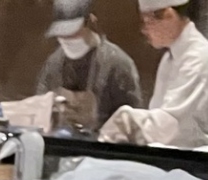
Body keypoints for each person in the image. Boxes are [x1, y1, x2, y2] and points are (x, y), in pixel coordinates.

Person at [99, 0, 208, 149]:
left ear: (168, 15)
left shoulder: (198, 58)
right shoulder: (170, 56)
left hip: (189, 156)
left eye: (147, 22)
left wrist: (129, 120)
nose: (144, 30)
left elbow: (171, 126)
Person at [35, 0, 142, 133]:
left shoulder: (117, 64)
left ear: (91, 21)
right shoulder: (54, 63)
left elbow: (132, 121)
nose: (67, 39)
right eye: (62, 34)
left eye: (73, 32)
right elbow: (40, 108)